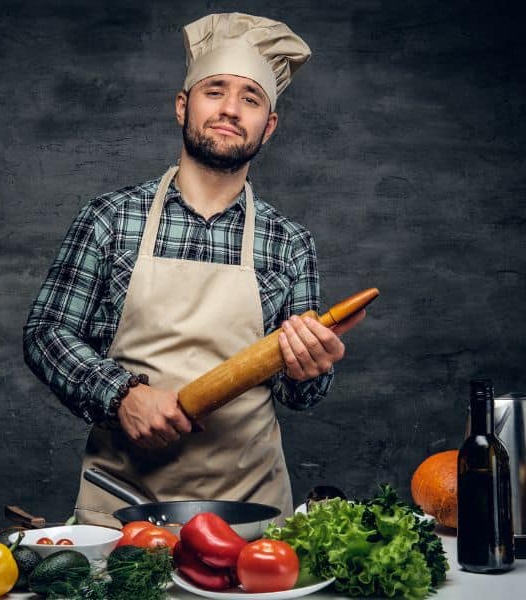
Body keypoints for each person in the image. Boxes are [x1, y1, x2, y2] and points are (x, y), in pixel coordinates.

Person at [23, 12, 367, 527]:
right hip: (123, 508)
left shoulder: (290, 243)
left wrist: (311, 367)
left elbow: (301, 396)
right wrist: (122, 395)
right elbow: (46, 333)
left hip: (250, 517)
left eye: (251, 98)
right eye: (215, 91)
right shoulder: (111, 219)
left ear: (268, 127)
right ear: (183, 105)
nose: (231, 109)